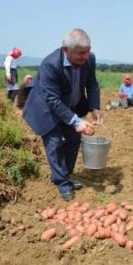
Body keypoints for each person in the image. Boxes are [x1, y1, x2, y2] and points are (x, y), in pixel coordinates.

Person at [22, 28, 104, 201]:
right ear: (66, 50)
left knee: (74, 139)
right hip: (46, 108)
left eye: (88, 51)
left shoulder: (89, 59)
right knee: (54, 143)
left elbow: (92, 84)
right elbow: (52, 99)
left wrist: (94, 107)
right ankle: (62, 183)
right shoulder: (50, 65)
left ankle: (64, 175)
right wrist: (76, 121)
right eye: (81, 53)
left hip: (70, 105)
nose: (85, 56)